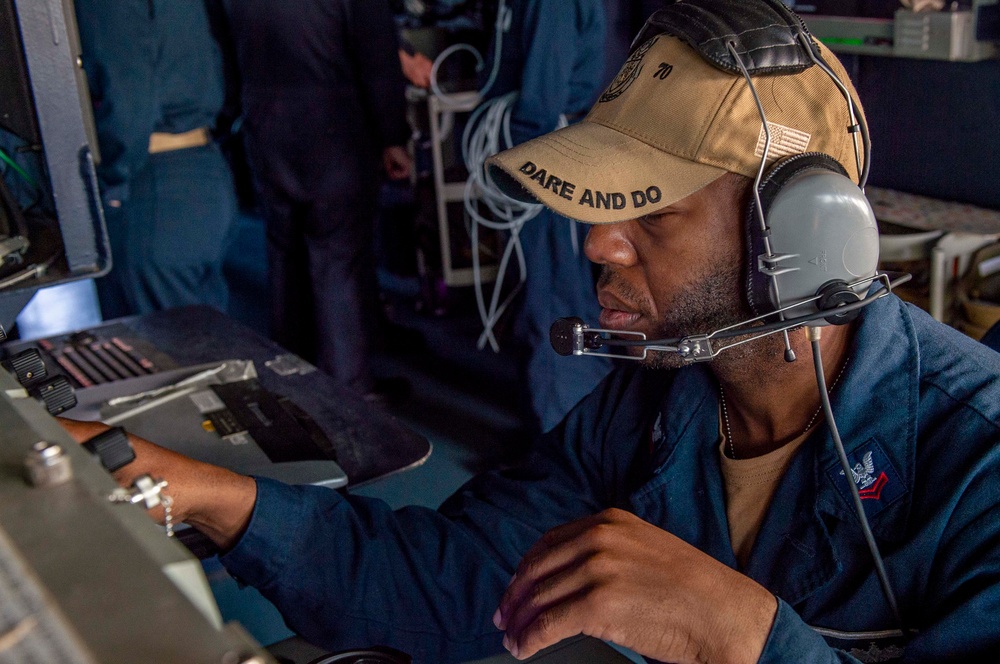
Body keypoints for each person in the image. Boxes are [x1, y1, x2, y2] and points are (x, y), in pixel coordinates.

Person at [62, 2, 1000, 662]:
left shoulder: (978, 459)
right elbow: (448, 583)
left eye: (655, 215)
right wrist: (198, 491)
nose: (597, 242)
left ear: (801, 240)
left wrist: (741, 637)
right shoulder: (647, 409)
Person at [219, 0, 413, 398]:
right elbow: (377, 62)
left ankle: (295, 378)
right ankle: (349, 389)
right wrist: (393, 136)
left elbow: (222, 56)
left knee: (284, 252)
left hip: (264, 126)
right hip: (333, 127)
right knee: (338, 257)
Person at [480, 0, 614, 434]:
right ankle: (559, 419)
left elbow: (543, 92)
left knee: (553, 296)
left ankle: (559, 432)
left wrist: (516, 166)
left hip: (546, 155)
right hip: (553, 149)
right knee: (546, 290)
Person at [75, 0, 237, 319]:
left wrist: (111, 180)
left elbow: (128, 103)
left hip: (153, 184)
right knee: (206, 350)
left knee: (158, 356)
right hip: (204, 169)